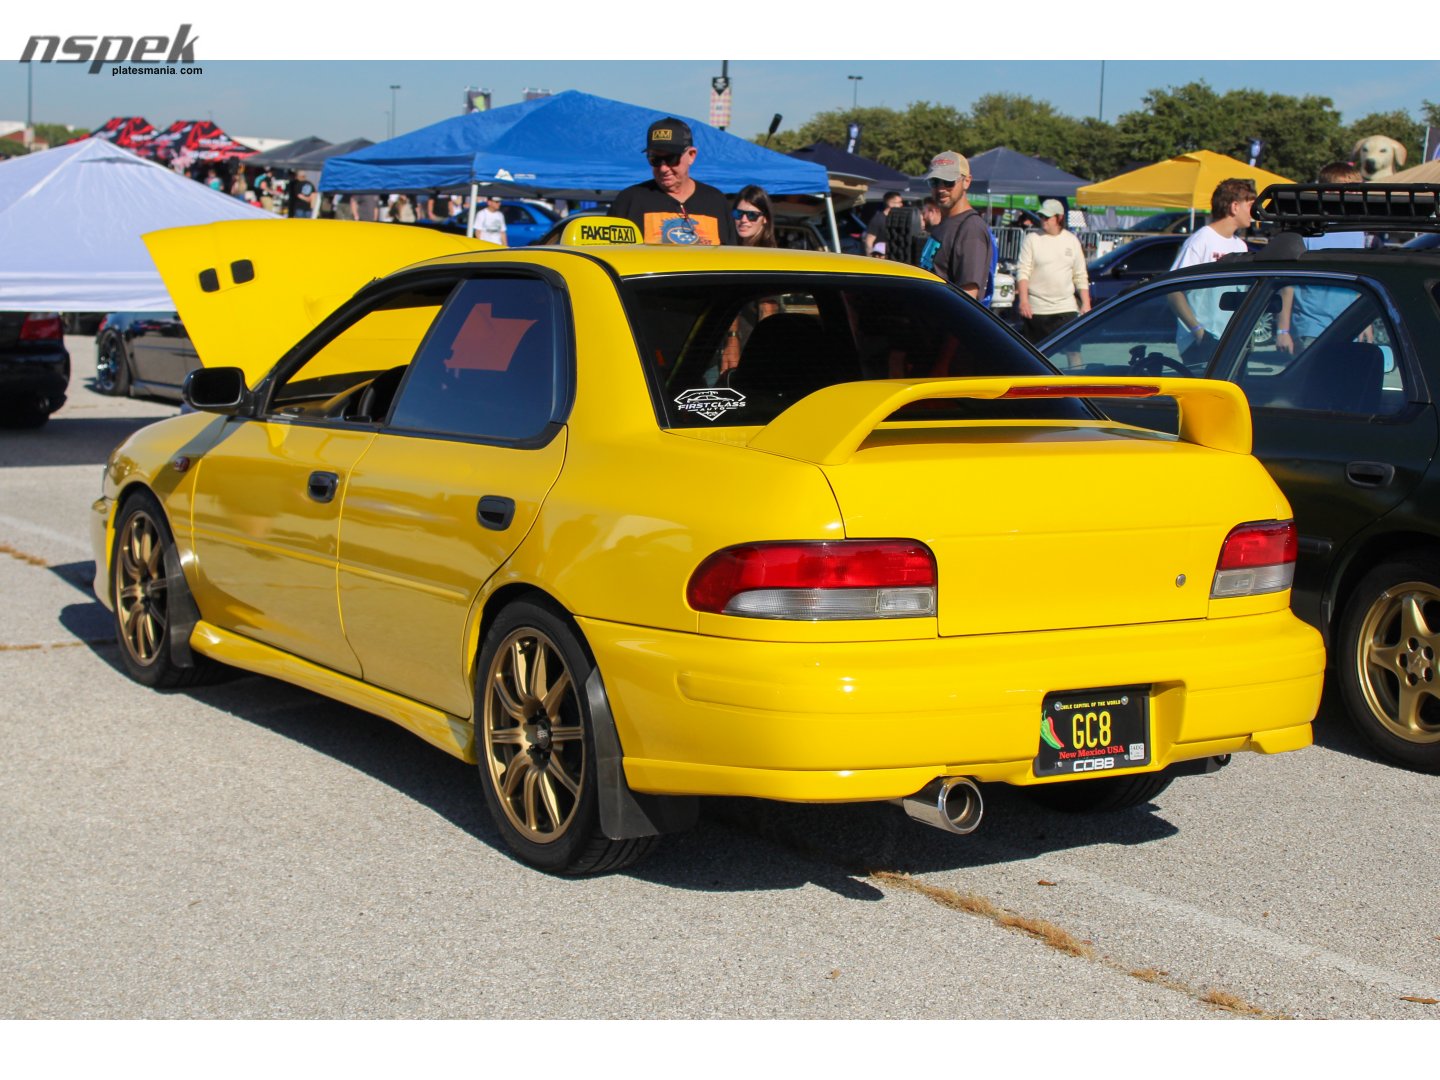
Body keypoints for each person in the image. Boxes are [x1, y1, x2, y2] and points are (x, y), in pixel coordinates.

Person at [1275, 162, 1368, 354]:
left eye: (1357, 189)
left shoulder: (1357, 231)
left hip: (1348, 325)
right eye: (1348, 190)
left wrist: (1365, 323)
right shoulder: (1309, 229)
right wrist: (1282, 330)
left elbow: (1361, 278)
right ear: (1327, 191)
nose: (1355, 195)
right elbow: (1287, 284)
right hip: (1311, 327)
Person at [1166, 177, 1256, 366]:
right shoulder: (1200, 240)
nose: (1253, 213)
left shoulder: (1240, 245)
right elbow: (1173, 290)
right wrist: (1198, 330)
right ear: (1234, 207)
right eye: (1250, 205)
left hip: (1231, 340)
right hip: (1202, 341)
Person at [609, 117, 738, 245]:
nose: (663, 168)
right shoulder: (630, 200)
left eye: (671, 159)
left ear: (691, 155)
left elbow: (731, 257)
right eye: (655, 159)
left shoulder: (715, 201)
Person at [918, 150, 994, 302]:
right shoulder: (945, 224)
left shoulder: (970, 228)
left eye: (948, 182)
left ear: (967, 181)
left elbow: (968, 296)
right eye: (935, 182)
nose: (941, 189)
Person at [1015, 198, 1091, 346]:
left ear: (1059, 217)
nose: (1043, 220)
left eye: (1047, 217)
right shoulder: (1032, 239)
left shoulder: (1072, 241)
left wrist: (1086, 304)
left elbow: (1080, 275)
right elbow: (1023, 271)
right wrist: (1024, 301)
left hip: (1066, 308)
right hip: (1037, 308)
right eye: (1041, 216)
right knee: (1035, 354)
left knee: (1073, 352)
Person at [864, 191, 903, 256]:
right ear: (890, 203)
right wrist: (870, 259)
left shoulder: (897, 219)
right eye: (899, 202)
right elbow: (869, 242)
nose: (901, 205)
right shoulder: (878, 219)